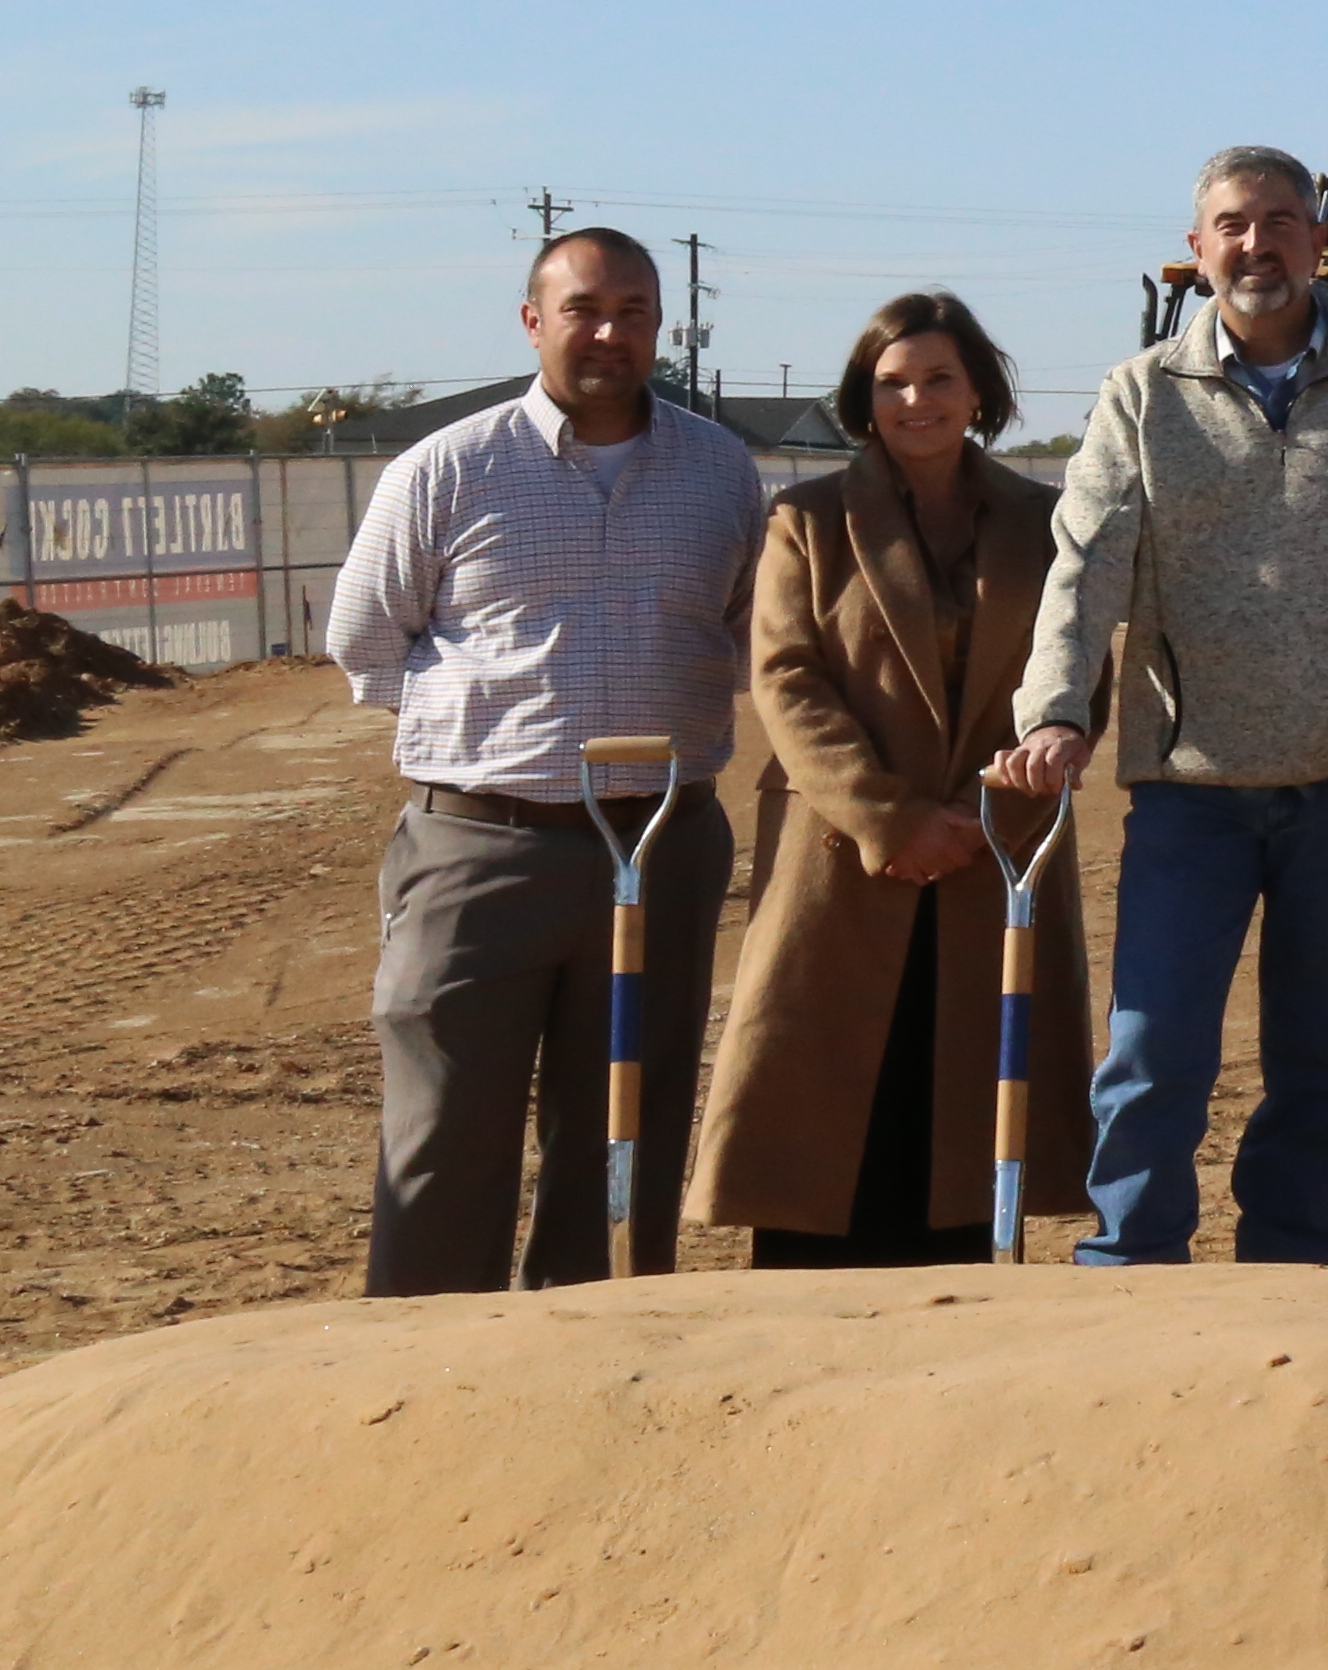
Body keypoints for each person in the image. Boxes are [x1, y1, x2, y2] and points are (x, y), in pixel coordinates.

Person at [1003, 148, 1328, 1267]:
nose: (1256, 245)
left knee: (1323, 1057)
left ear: (1322, 242)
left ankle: (1295, 1275)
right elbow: (1086, 562)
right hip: (1190, 786)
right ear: (1197, 245)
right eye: (1232, 225)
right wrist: (1054, 711)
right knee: (1154, 1053)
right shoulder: (1141, 392)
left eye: (1279, 223)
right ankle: (1129, 1270)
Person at [321, 225, 769, 1290]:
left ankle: (598, 1353)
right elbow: (365, 641)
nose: (609, 332)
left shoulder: (719, 471)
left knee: (629, 1123)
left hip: (662, 845)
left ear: (661, 325)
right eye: (583, 309)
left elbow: (750, 631)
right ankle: (427, 1371)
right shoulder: (448, 468)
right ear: (533, 321)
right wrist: (494, 741)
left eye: (632, 312)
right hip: (482, 849)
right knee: (446, 1131)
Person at [689, 294, 1084, 1269]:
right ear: (865, 398)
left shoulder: (1046, 522)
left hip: (994, 854)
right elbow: (785, 678)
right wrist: (893, 819)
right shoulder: (808, 521)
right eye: (893, 381)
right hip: (844, 857)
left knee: (968, 1111)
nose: (917, 399)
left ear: (978, 392)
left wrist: (989, 813)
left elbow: (1073, 681)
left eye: (939, 377)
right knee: (820, 1109)